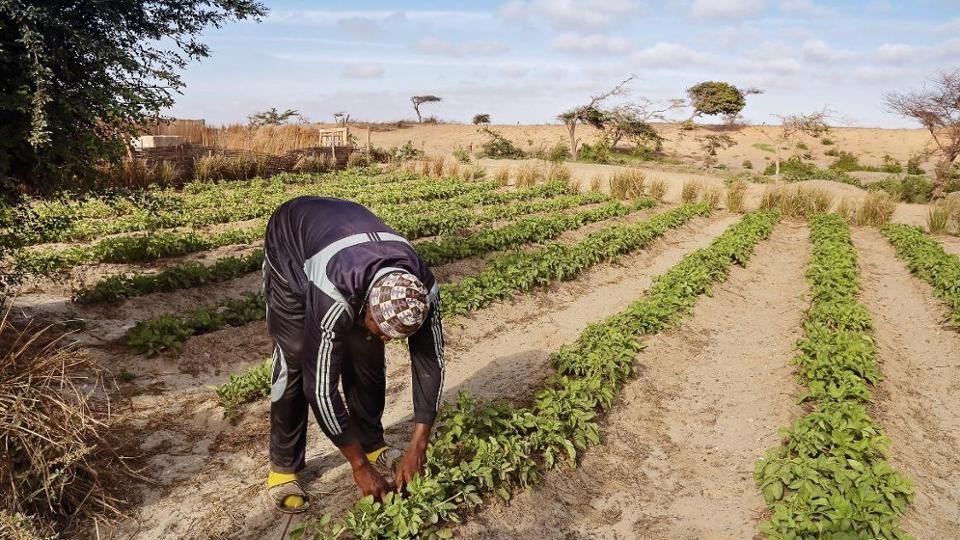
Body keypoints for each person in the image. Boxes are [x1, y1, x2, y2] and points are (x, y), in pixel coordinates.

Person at [261, 196, 444, 513]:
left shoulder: (422, 293)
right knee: (295, 357)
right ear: (368, 305)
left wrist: (419, 445)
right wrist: (358, 466)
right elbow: (320, 389)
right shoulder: (336, 290)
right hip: (292, 244)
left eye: (394, 335)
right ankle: (284, 468)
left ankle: (372, 442)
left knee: (367, 348)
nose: (387, 338)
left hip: (347, 236)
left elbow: (431, 364)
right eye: (382, 327)